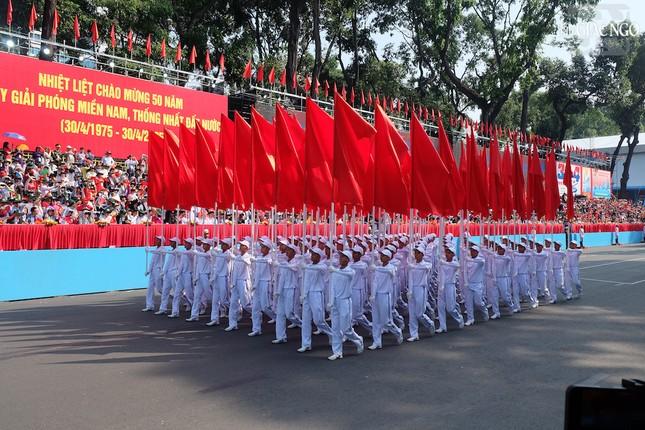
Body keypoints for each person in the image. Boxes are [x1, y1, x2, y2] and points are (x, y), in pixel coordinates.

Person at [327, 250, 364, 360]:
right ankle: (337, 352)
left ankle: (358, 339)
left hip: (345, 302)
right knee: (335, 328)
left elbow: (348, 274)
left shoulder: (351, 271)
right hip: (336, 302)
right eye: (340, 257)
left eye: (344, 257)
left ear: (348, 260)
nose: (341, 259)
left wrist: (334, 271)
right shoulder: (336, 271)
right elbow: (332, 287)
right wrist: (330, 301)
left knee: (345, 329)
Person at [298, 248, 332, 352]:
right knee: (305, 320)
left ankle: (332, 334)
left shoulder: (323, 266)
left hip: (317, 293)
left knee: (318, 320)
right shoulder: (308, 266)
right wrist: (303, 294)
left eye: (315, 255)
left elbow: (320, 269)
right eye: (312, 254)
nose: (312, 256)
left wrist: (306, 267)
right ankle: (306, 343)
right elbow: (305, 281)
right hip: (307, 294)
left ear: (319, 256)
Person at [368, 249, 404, 350]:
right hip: (376, 296)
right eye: (381, 255)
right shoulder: (378, 268)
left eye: (384, 255)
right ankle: (376, 342)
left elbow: (390, 272)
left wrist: (376, 268)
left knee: (385, 321)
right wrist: (373, 294)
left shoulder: (392, 267)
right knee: (375, 320)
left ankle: (397, 332)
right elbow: (375, 281)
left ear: (388, 258)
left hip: (385, 295)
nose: (382, 257)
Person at [272, 244, 302, 344]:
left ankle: (303, 325)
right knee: (280, 314)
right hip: (282, 289)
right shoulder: (284, 262)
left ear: (294, 252)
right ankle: (281, 336)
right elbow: (281, 277)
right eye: (287, 250)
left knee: (289, 313)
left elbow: (294, 268)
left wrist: (281, 264)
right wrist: (278, 290)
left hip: (291, 288)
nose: (287, 252)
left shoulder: (297, 262)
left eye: (289, 250)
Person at [406, 245, 436, 341]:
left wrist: (413, 266)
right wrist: (410, 290)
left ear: (422, 254)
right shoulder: (412, 265)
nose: (416, 255)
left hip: (421, 289)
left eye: (418, 253)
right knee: (412, 314)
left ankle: (429, 324)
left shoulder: (427, 264)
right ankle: (414, 334)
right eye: (415, 253)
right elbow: (410, 278)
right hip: (412, 289)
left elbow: (426, 268)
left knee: (419, 313)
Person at [248, 238, 277, 336]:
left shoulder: (270, 257)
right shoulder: (259, 256)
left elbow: (269, 261)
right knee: (255, 307)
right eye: (261, 247)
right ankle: (256, 329)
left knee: (265, 307)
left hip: (265, 282)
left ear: (268, 248)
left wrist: (256, 260)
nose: (262, 249)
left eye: (264, 247)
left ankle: (277, 317)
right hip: (258, 283)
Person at [225, 240, 252, 331]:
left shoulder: (249, 257)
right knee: (233, 303)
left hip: (244, 281)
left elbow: (248, 263)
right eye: (240, 245)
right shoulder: (238, 257)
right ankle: (233, 323)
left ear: (247, 248)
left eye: (242, 245)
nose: (240, 247)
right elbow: (234, 270)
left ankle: (256, 313)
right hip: (236, 282)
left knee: (245, 304)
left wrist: (240, 259)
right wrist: (232, 282)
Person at [436, 246, 464, 332]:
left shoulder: (455, 264)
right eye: (446, 252)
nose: (447, 254)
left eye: (449, 253)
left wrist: (443, 263)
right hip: (441, 286)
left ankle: (459, 318)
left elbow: (457, 266)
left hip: (450, 286)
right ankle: (442, 326)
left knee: (450, 308)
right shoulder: (442, 263)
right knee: (440, 307)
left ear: (453, 255)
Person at [207, 238, 232, 326]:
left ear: (228, 246)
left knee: (223, 300)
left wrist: (216, 254)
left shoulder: (229, 254)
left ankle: (236, 310)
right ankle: (214, 318)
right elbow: (216, 265)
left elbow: (226, 257)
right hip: (217, 277)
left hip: (223, 278)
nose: (222, 245)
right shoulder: (220, 252)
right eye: (222, 243)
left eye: (224, 244)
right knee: (215, 300)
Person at [462, 244, 489, 326]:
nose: (472, 252)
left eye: (474, 251)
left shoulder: (480, 260)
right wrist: (466, 282)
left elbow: (481, 262)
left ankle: (484, 310)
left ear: (477, 252)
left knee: (478, 302)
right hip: (469, 284)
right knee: (468, 303)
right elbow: (465, 272)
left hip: (477, 284)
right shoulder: (467, 261)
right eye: (471, 251)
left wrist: (470, 259)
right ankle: (470, 318)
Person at [186, 239, 213, 321]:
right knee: (197, 296)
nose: (203, 245)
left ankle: (220, 306)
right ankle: (194, 315)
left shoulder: (210, 253)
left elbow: (206, 255)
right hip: (200, 276)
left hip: (206, 276)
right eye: (203, 244)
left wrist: (196, 252)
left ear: (209, 246)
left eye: (205, 244)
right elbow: (198, 266)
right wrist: (196, 277)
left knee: (209, 295)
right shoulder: (201, 254)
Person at [169, 238, 195, 318]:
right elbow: (181, 264)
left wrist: (177, 251)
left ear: (190, 244)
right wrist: (178, 273)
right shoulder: (183, 252)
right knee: (176, 293)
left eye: (187, 243)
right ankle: (175, 312)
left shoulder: (192, 252)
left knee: (189, 294)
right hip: (182, 275)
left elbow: (187, 253)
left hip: (188, 275)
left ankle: (194, 306)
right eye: (185, 242)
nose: (185, 244)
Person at [155, 237, 180, 315]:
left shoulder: (178, 251)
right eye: (170, 241)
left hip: (174, 273)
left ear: (176, 243)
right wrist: (164, 272)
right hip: (168, 273)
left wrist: (178, 273)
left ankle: (175, 311)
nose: (170, 243)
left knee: (176, 292)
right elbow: (167, 263)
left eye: (172, 242)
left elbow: (177, 255)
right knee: (165, 291)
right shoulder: (171, 251)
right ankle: (163, 308)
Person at [349, 245, 372, 331]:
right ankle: (348, 331)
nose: (354, 254)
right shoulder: (350, 264)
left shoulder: (363, 265)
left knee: (358, 314)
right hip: (349, 289)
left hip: (357, 290)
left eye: (356, 253)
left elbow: (365, 276)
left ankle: (371, 328)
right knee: (349, 312)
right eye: (353, 253)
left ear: (360, 255)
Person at [491, 243, 515, 319]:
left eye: (501, 249)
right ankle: (496, 312)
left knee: (505, 297)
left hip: (503, 278)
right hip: (495, 278)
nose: (499, 250)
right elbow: (493, 267)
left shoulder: (507, 258)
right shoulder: (494, 257)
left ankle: (511, 306)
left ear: (504, 250)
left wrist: (496, 256)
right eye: (498, 248)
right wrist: (494, 277)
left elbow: (508, 259)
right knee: (494, 297)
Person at [143, 235, 165, 312]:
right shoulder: (156, 248)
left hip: (158, 270)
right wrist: (148, 270)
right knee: (150, 288)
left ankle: (171, 296)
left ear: (162, 242)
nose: (156, 241)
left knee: (160, 289)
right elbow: (152, 261)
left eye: (158, 240)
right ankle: (149, 305)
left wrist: (149, 250)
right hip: (153, 271)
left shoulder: (163, 249)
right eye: (156, 239)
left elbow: (158, 252)